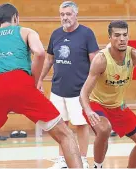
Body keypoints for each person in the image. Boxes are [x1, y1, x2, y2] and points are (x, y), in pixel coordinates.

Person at [0, 3, 82, 168]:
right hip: (21, 83)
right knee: (66, 135)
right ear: (16, 18)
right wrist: (33, 81)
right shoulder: (25, 31)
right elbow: (39, 53)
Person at [80, 20, 136, 168]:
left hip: (118, 106)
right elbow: (84, 93)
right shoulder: (101, 60)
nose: (122, 39)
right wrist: (88, 110)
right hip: (96, 104)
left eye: (125, 35)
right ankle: (97, 166)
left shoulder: (134, 55)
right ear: (109, 38)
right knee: (104, 129)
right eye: (117, 35)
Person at [38, 1, 99, 168]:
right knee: (60, 126)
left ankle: (83, 159)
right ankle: (63, 159)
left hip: (79, 91)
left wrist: (92, 86)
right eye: (62, 14)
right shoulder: (56, 34)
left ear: (76, 14)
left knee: (81, 125)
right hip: (58, 89)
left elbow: (96, 61)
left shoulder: (87, 34)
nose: (65, 17)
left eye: (68, 14)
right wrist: (39, 79)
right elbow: (49, 59)